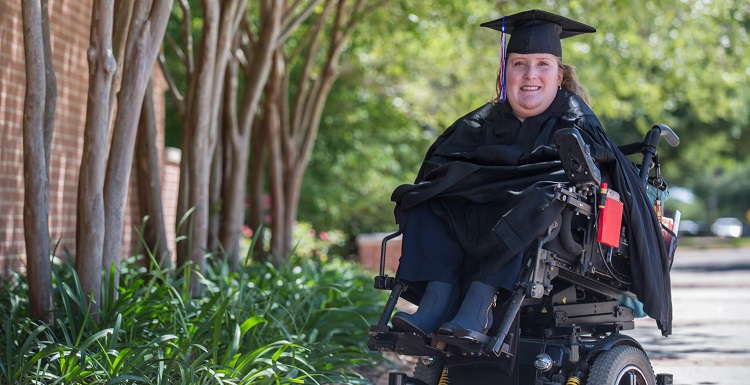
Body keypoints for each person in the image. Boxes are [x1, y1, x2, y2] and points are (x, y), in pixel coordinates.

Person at [389, 9, 672, 338]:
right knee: (423, 197)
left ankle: (478, 307)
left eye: (542, 64)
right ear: (505, 71)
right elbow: (438, 170)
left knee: (539, 197)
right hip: (476, 217)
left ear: (559, 76)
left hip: (545, 222)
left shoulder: (575, 120)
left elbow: (596, 178)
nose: (530, 75)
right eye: (519, 64)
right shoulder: (479, 123)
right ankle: (436, 302)